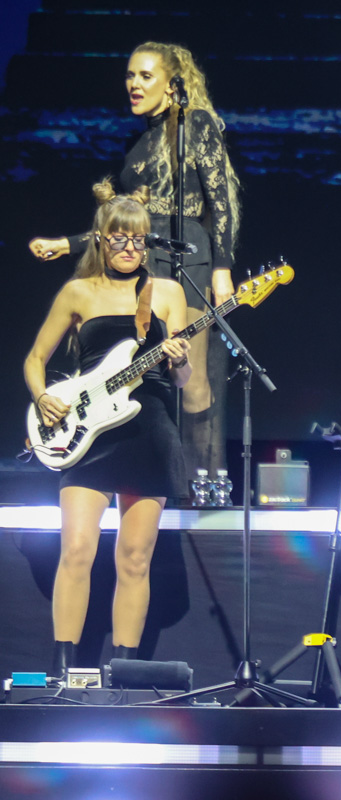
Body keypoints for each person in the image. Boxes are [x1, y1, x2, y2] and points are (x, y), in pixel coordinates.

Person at [28, 41, 241, 481]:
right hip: (142, 261)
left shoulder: (196, 124)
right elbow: (125, 225)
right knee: (138, 373)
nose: (134, 84)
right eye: (130, 75)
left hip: (189, 257)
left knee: (191, 374)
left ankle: (200, 482)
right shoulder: (138, 142)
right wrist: (68, 244)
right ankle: (142, 466)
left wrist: (222, 267)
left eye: (146, 75)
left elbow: (220, 201)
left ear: (171, 83)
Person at [25, 180, 191, 677]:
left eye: (139, 239)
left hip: (149, 428)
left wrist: (179, 359)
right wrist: (44, 397)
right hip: (88, 431)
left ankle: (124, 673)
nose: (130, 248)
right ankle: (63, 670)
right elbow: (35, 359)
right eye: (120, 238)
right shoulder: (78, 292)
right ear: (100, 238)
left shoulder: (167, 292)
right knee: (77, 549)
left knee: (135, 559)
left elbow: (181, 379)